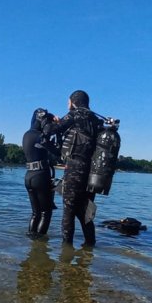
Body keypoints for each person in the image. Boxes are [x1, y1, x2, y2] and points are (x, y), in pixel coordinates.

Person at [45, 90, 104, 246]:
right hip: (94, 173)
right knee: (85, 210)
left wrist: (53, 121)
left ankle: (66, 251)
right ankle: (89, 246)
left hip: (75, 168)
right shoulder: (97, 120)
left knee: (69, 210)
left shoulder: (75, 115)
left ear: (72, 102)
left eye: (68, 102)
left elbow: (51, 130)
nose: (67, 105)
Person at [22, 108, 59, 237]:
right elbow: (57, 152)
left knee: (35, 213)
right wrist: (57, 125)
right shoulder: (40, 136)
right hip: (41, 175)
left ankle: (31, 241)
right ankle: (39, 248)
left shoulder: (27, 134)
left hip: (29, 176)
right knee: (45, 212)